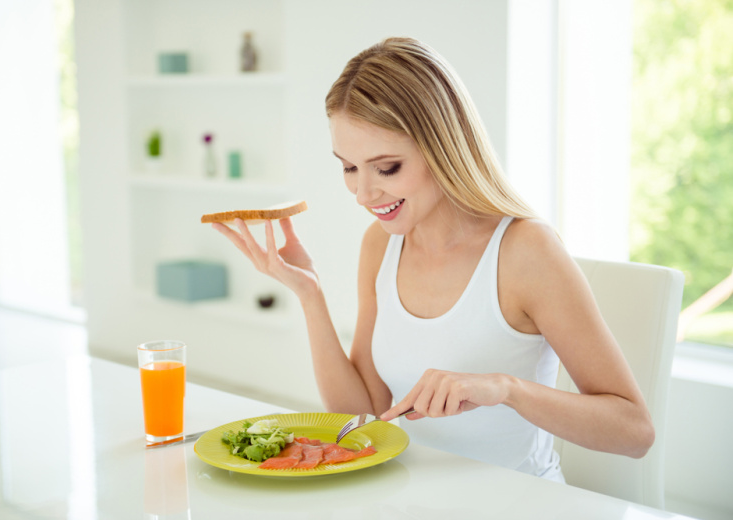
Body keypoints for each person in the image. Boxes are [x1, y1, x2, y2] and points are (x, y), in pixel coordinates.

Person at [210, 37, 654, 482]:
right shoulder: (380, 245)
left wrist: (506, 389)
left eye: (387, 168)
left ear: (442, 148)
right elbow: (362, 416)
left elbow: (634, 433)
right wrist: (309, 293)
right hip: (415, 496)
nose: (363, 194)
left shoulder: (525, 251)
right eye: (349, 168)